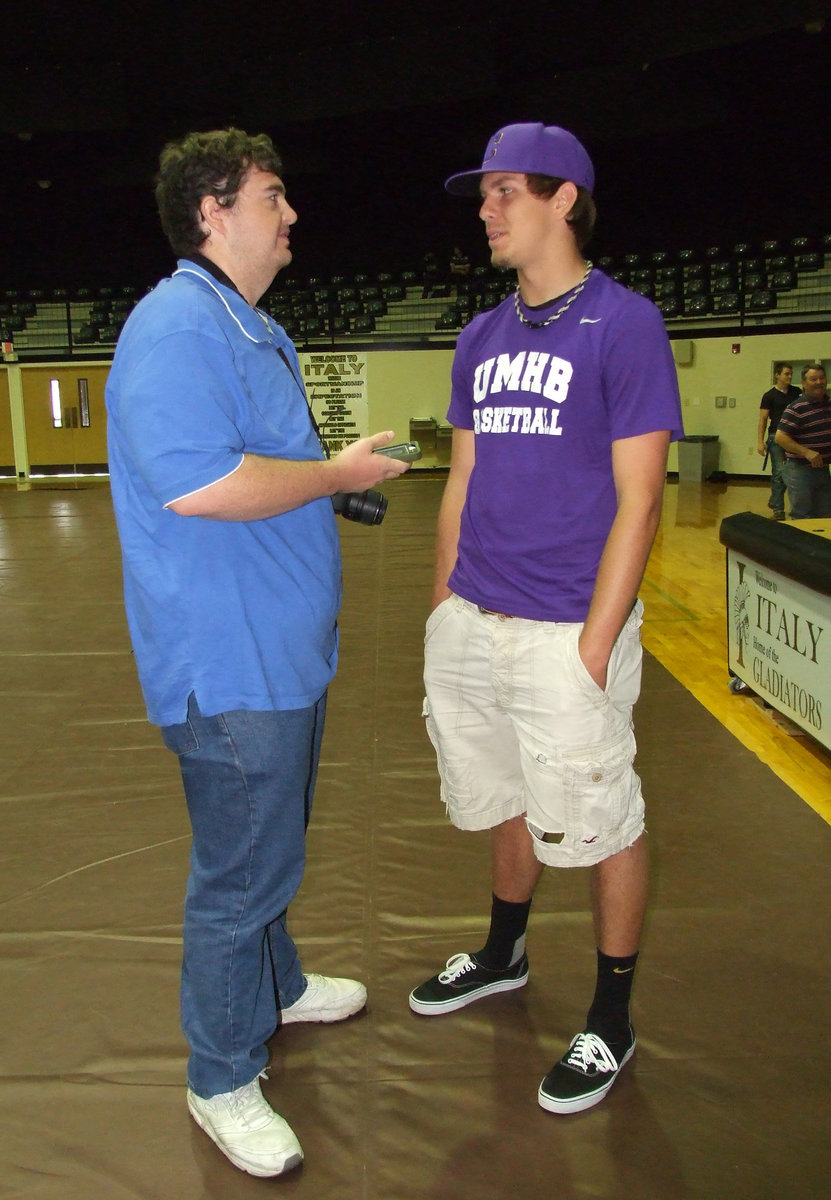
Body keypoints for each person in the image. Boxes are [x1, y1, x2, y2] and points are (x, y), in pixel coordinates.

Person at [105, 128, 409, 1178]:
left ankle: (274, 988)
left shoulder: (244, 328)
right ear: (213, 213)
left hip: (276, 658)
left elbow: (267, 465)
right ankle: (221, 1074)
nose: (291, 218)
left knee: (268, 846)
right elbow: (201, 485)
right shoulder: (178, 329)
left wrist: (332, 477)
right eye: (273, 198)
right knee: (240, 873)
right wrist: (331, 478)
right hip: (228, 667)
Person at [408, 122, 684, 1115]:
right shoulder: (480, 337)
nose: (486, 209)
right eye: (482, 194)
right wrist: (444, 599)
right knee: (505, 798)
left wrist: (596, 643)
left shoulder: (625, 324)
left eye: (505, 192)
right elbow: (464, 476)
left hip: (567, 630)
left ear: (565, 199)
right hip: (474, 621)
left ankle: (611, 1015)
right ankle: (504, 951)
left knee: (605, 821)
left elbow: (641, 498)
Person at [775, 364, 831, 518]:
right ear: (804, 384)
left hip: (823, 470)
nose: (819, 382)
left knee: (825, 516)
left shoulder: (828, 405)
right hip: (800, 471)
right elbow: (780, 437)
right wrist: (806, 452)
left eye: (822, 378)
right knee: (802, 516)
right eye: (813, 379)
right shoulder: (796, 408)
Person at [757, 362, 800, 519]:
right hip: (775, 436)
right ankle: (778, 510)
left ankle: (775, 500)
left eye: (790, 374)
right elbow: (762, 419)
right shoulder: (769, 396)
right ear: (777, 375)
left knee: (792, 471)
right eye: (786, 374)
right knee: (779, 472)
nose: (789, 376)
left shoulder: (796, 392)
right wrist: (760, 441)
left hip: (794, 437)